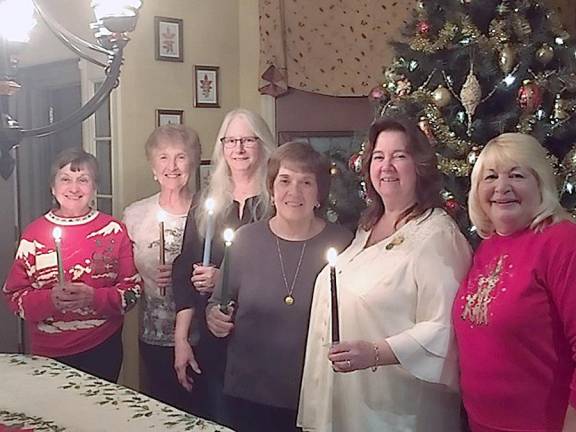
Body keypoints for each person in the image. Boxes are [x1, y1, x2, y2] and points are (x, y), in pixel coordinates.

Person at [298, 117, 472, 432]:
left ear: (419, 166)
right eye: (379, 156)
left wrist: (377, 352)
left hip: (397, 413)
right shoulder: (368, 227)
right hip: (347, 401)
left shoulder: (437, 235)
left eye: (399, 156)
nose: (386, 166)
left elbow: (444, 328)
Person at [206, 141, 352, 432]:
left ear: (319, 194)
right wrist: (214, 317)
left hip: (314, 392)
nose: (294, 192)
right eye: (284, 181)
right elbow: (216, 302)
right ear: (272, 189)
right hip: (250, 391)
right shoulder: (246, 240)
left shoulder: (343, 243)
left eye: (306, 182)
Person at [453, 133, 576, 432]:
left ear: (541, 184)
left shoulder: (561, 241)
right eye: (491, 177)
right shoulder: (489, 244)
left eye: (517, 175)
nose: (501, 187)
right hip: (481, 423)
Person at [172, 108, 275, 424]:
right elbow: (183, 268)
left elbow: (281, 269)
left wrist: (223, 280)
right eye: (231, 141)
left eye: (247, 140)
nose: (239, 149)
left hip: (265, 342)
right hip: (214, 343)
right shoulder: (207, 202)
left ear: (262, 144)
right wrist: (181, 340)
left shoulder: (277, 200)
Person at [2, 148, 141, 383]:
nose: (74, 188)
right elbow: (14, 296)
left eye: (83, 180)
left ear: (94, 187)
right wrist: (49, 300)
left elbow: (132, 292)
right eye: (65, 179)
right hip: (48, 353)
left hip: (101, 347)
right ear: (53, 188)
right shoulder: (34, 235)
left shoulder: (114, 231)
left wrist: (93, 298)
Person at [123, 125, 200, 409]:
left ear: (192, 162)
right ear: (153, 166)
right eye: (164, 158)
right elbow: (123, 274)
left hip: (200, 334)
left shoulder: (206, 212)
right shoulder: (135, 215)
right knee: (162, 405)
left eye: (181, 157)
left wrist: (183, 274)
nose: (172, 166)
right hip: (152, 332)